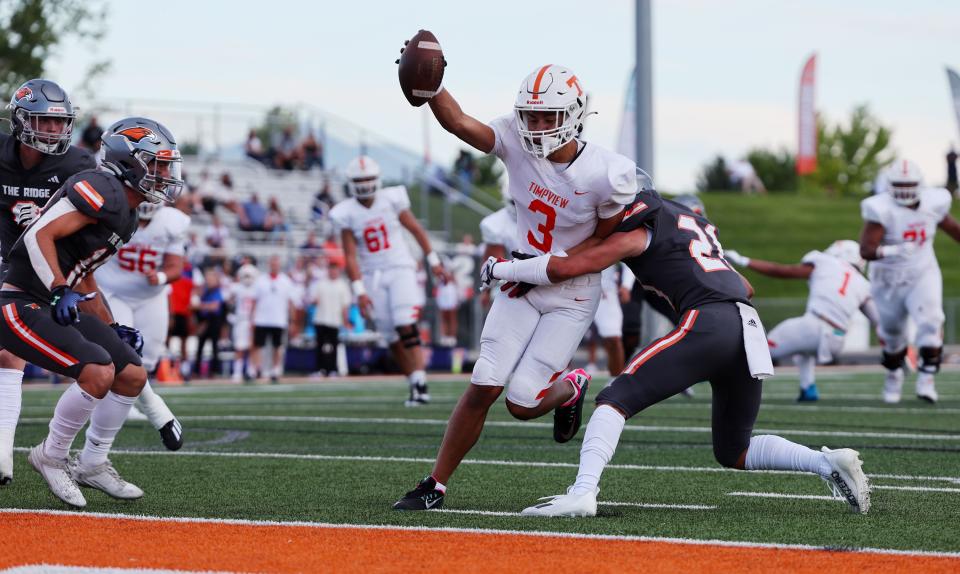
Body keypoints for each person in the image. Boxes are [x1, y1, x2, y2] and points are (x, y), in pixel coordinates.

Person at [481, 171, 871, 516]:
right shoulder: (690, 223)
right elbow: (745, 285)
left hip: (709, 321)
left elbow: (568, 266)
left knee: (614, 397)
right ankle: (827, 463)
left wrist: (502, 269)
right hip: (746, 323)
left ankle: (582, 493)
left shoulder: (638, 231)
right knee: (734, 449)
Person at [392, 63, 636, 511]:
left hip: (572, 290)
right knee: (485, 381)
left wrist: (544, 270)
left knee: (522, 402)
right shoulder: (514, 139)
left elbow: (604, 241)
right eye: (531, 116)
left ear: (576, 115)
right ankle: (435, 483)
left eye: (549, 118)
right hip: (521, 279)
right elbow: (459, 121)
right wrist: (432, 85)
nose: (537, 127)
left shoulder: (606, 172)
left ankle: (573, 386)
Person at [0, 116, 184, 507]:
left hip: (54, 297)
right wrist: (58, 287)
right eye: (158, 163)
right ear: (130, 162)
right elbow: (39, 235)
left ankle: (93, 463)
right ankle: (50, 455)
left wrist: (112, 325)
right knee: (98, 371)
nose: (166, 174)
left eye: (168, 165)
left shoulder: (128, 212)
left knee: (132, 372)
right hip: (18, 298)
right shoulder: (103, 187)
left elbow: (84, 275)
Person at [0, 79, 96, 486]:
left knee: (11, 355)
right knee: (7, 356)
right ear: (21, 121)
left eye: (59, 124)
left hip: (43, 269)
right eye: (44, 122)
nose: (53, 131)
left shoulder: (78, 166)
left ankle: (14, 454)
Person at [330, 155, 448, 405]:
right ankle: (414, 380)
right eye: (359, 180)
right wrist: (359, 290)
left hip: (399, 267)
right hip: (373, 275)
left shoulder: (391, 199)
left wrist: (434, 261)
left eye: (368, 178)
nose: (364, 184)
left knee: (406, 322)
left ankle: (421, 382)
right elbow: (350, 255)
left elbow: (416, 229)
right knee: (389, 334)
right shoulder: (345, 212)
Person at [859, 159, 960, 404]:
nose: (905, 189)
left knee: (930, 322)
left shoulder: (934, 202)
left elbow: (954, 229)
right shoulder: (880, 208)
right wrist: (893, 251)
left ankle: (927, 380)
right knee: (892, 334)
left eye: (909, 184)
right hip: (887, 277)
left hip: (922, 272)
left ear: (919, 184)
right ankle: (894, 374)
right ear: (890, 185)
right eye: (899, 184)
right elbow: (866, 250)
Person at [725, 240, 877, 401]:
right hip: (837, 338)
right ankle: (808, 388)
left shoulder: (825, 262)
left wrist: (743, 260)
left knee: (757, 351)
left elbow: (782, 271)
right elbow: (879, 322)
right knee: (803, 352)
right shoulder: (863, 284)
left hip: (814, 327)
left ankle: (723, 380)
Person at [95, 198, 191, 449]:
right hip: (113, 291)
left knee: (148, 357)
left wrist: (160, 276)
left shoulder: (172, 221)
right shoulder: (119, 210)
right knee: (123, 351)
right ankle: (122, 405)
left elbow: (175, 266)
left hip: (151, 295)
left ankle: (128, 402)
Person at [249, 255, 300, 383]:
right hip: (261, 318)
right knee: (257, 345)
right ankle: (255, 369)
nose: (274, 266)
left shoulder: (286, 281)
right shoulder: (260, 280)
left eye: (276, 263)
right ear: (269, 265)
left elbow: (291, 302)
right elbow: (254, 301)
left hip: (279, 319)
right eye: (272, 263)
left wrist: (293, 321)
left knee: (277, 346)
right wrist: (252, 318)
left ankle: (275, 370)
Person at [478, 179, 518, 308]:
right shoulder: (494, 225)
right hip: (511, 282)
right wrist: (487, 289)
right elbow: (495, 265)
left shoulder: (543, 216)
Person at [309, 264, 351, 376]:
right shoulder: (321, 283)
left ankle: (332, 369)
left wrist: (345, 320)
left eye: (335, 270)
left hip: (335, 321)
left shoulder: (342, 285)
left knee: (334, 346)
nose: (333, 272)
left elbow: (345, 305)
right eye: (331, 270)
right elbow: (313, 299)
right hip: (320, 319)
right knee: (320, 346)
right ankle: (319, 369)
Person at [195, 268, 226, 378]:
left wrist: (203, 306)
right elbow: (197, 304)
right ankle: (197, 371)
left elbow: (214, 307)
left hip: (213, 322)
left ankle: (215, 371)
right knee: (200, 347)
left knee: (214, 347)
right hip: (204, 321)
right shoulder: (206, 291)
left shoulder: (217, 291)